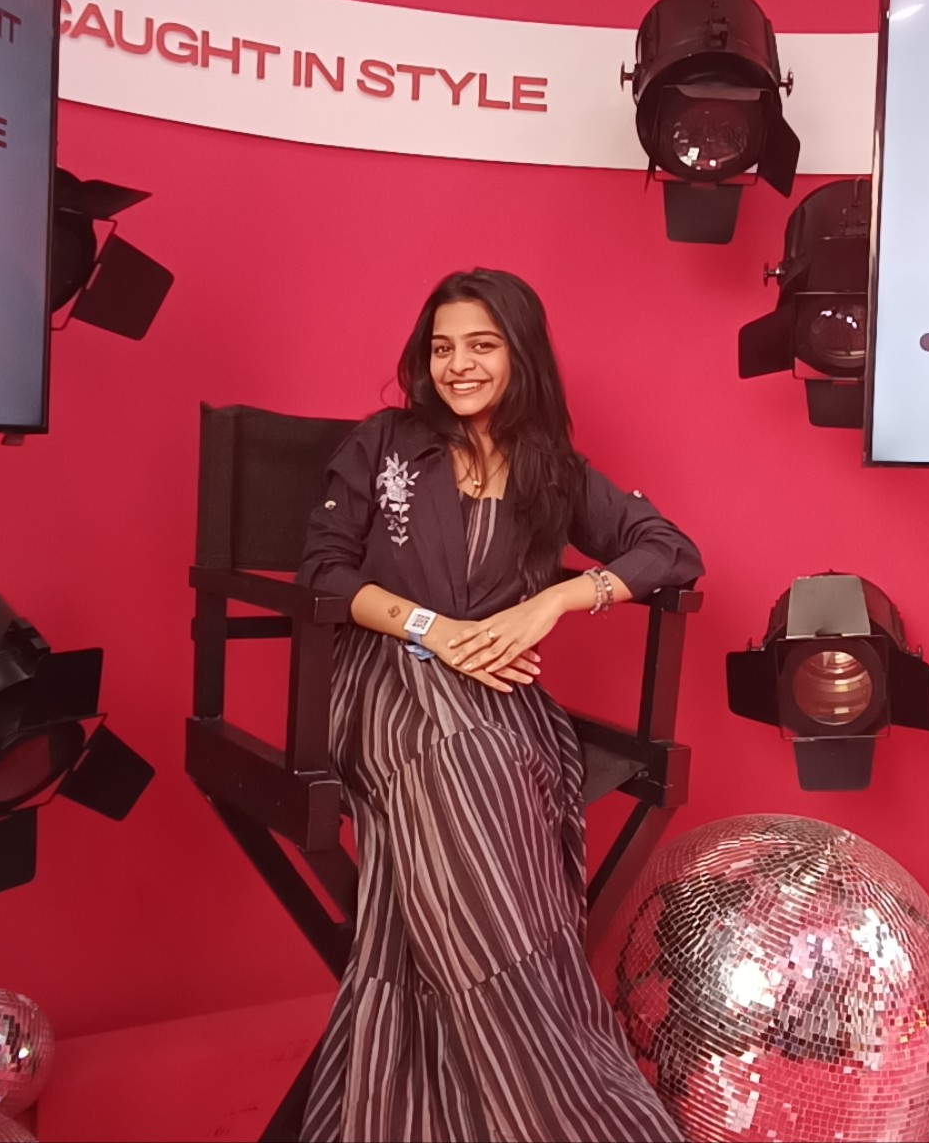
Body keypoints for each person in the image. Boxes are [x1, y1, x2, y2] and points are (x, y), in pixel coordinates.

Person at [296, 268, 704, 1143]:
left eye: (481, 346)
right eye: (442, 347)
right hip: (385, 679)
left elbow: (669, 549)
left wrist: (554, 601)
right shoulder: (384, 442)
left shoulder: (553, 469)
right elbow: (324, 572)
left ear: (519, 355)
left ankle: (492, 1077)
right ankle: (553, 1087)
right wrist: (432, 631)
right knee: (462, 758)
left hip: (502, 698)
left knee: (483, 757)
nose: (458, 366)